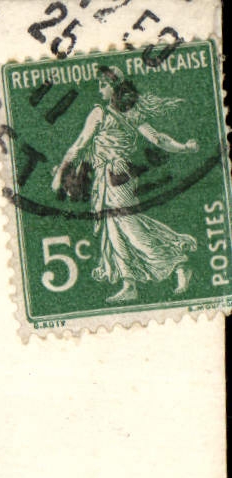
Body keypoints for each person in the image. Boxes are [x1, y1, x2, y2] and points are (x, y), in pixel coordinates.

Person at [51, 69, 198, 304]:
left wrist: (60, 173)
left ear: (113, 88)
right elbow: (159, 139)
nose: (99, 89)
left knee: (131, 228)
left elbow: (79, 144)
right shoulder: (132, 114)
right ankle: (129, 284)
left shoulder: (101, 113)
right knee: (114, 231)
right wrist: (184, 148)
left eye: (102, 84)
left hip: (117, 178)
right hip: (107, 178)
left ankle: (178, 264)